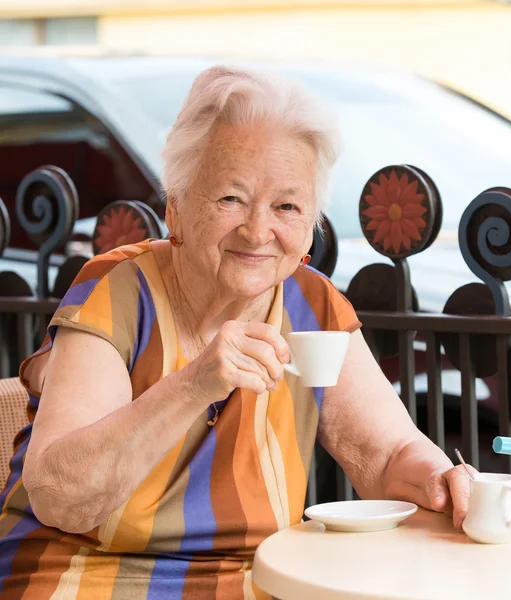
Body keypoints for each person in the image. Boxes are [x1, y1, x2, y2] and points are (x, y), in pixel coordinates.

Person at [0, 65, 471, 599]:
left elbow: (386, 457)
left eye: (287, 206)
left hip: (260, 580)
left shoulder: (313, 304)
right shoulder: (117, 291)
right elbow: (61, 497)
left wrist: (439, 479)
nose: (258, 230)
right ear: (175, 208)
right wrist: (194, 383)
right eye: (230, 199)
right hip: (86, 571)